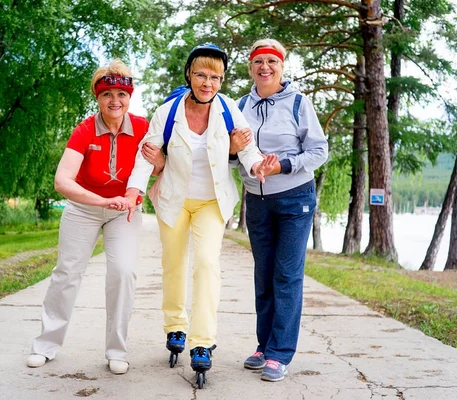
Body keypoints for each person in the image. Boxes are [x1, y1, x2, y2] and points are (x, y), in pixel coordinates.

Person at [125, 44, 277, 378]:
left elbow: (247, 148)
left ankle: (202, 341)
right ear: (189, 75)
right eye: (201, 75)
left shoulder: (227, 110)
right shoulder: (167, 112)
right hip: (173, 199)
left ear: (221, 81)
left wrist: (256, 167)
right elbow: (147, 153)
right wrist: (134, 191)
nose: (207, 83)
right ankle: (175, 326)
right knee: (174, 264)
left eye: (215, 77)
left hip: (211, 201)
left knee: (207, 265)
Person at [26, 59, 151, 375]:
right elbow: (62, 181)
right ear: (98, 96)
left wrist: (152, 169)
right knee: (67, 273)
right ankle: (46, 344)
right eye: (107, 94)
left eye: (121, 95)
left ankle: (117, 350)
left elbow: (155, 167)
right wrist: (101, 200)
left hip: (123, 212)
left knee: (123, 273)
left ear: (130, 97)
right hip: (83, 209)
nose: (115, 101)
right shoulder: (84, 129)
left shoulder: (143, 127)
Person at [232, 39, 328, 382]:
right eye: (259, 61)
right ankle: (264, 346)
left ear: (282, 67)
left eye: (272, 61)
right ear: (251, 67)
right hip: (256, 201)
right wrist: (232, 150)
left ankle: (280, 352)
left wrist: (282, 165)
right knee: (264, 274)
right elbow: (230, 154)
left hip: (294, 198)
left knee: (286, 274)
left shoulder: (300, 103)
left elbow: (318, 152)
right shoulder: (240, 105)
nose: (265, 67)